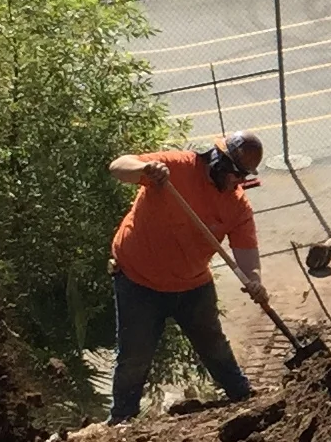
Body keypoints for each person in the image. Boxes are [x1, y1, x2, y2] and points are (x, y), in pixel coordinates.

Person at [106, 134, 268, 423]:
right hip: (137, 280)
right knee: (134, 356)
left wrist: (254, 281)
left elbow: (246, 256)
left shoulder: (237, 206)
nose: (237, 182)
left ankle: (242, 396)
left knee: (214, 345)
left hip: (192, 285)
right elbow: (118, 166)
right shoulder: (176, 168)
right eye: (234, 173)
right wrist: (145, 171)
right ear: (217, 161)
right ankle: (122, 420)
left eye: (243, 176)